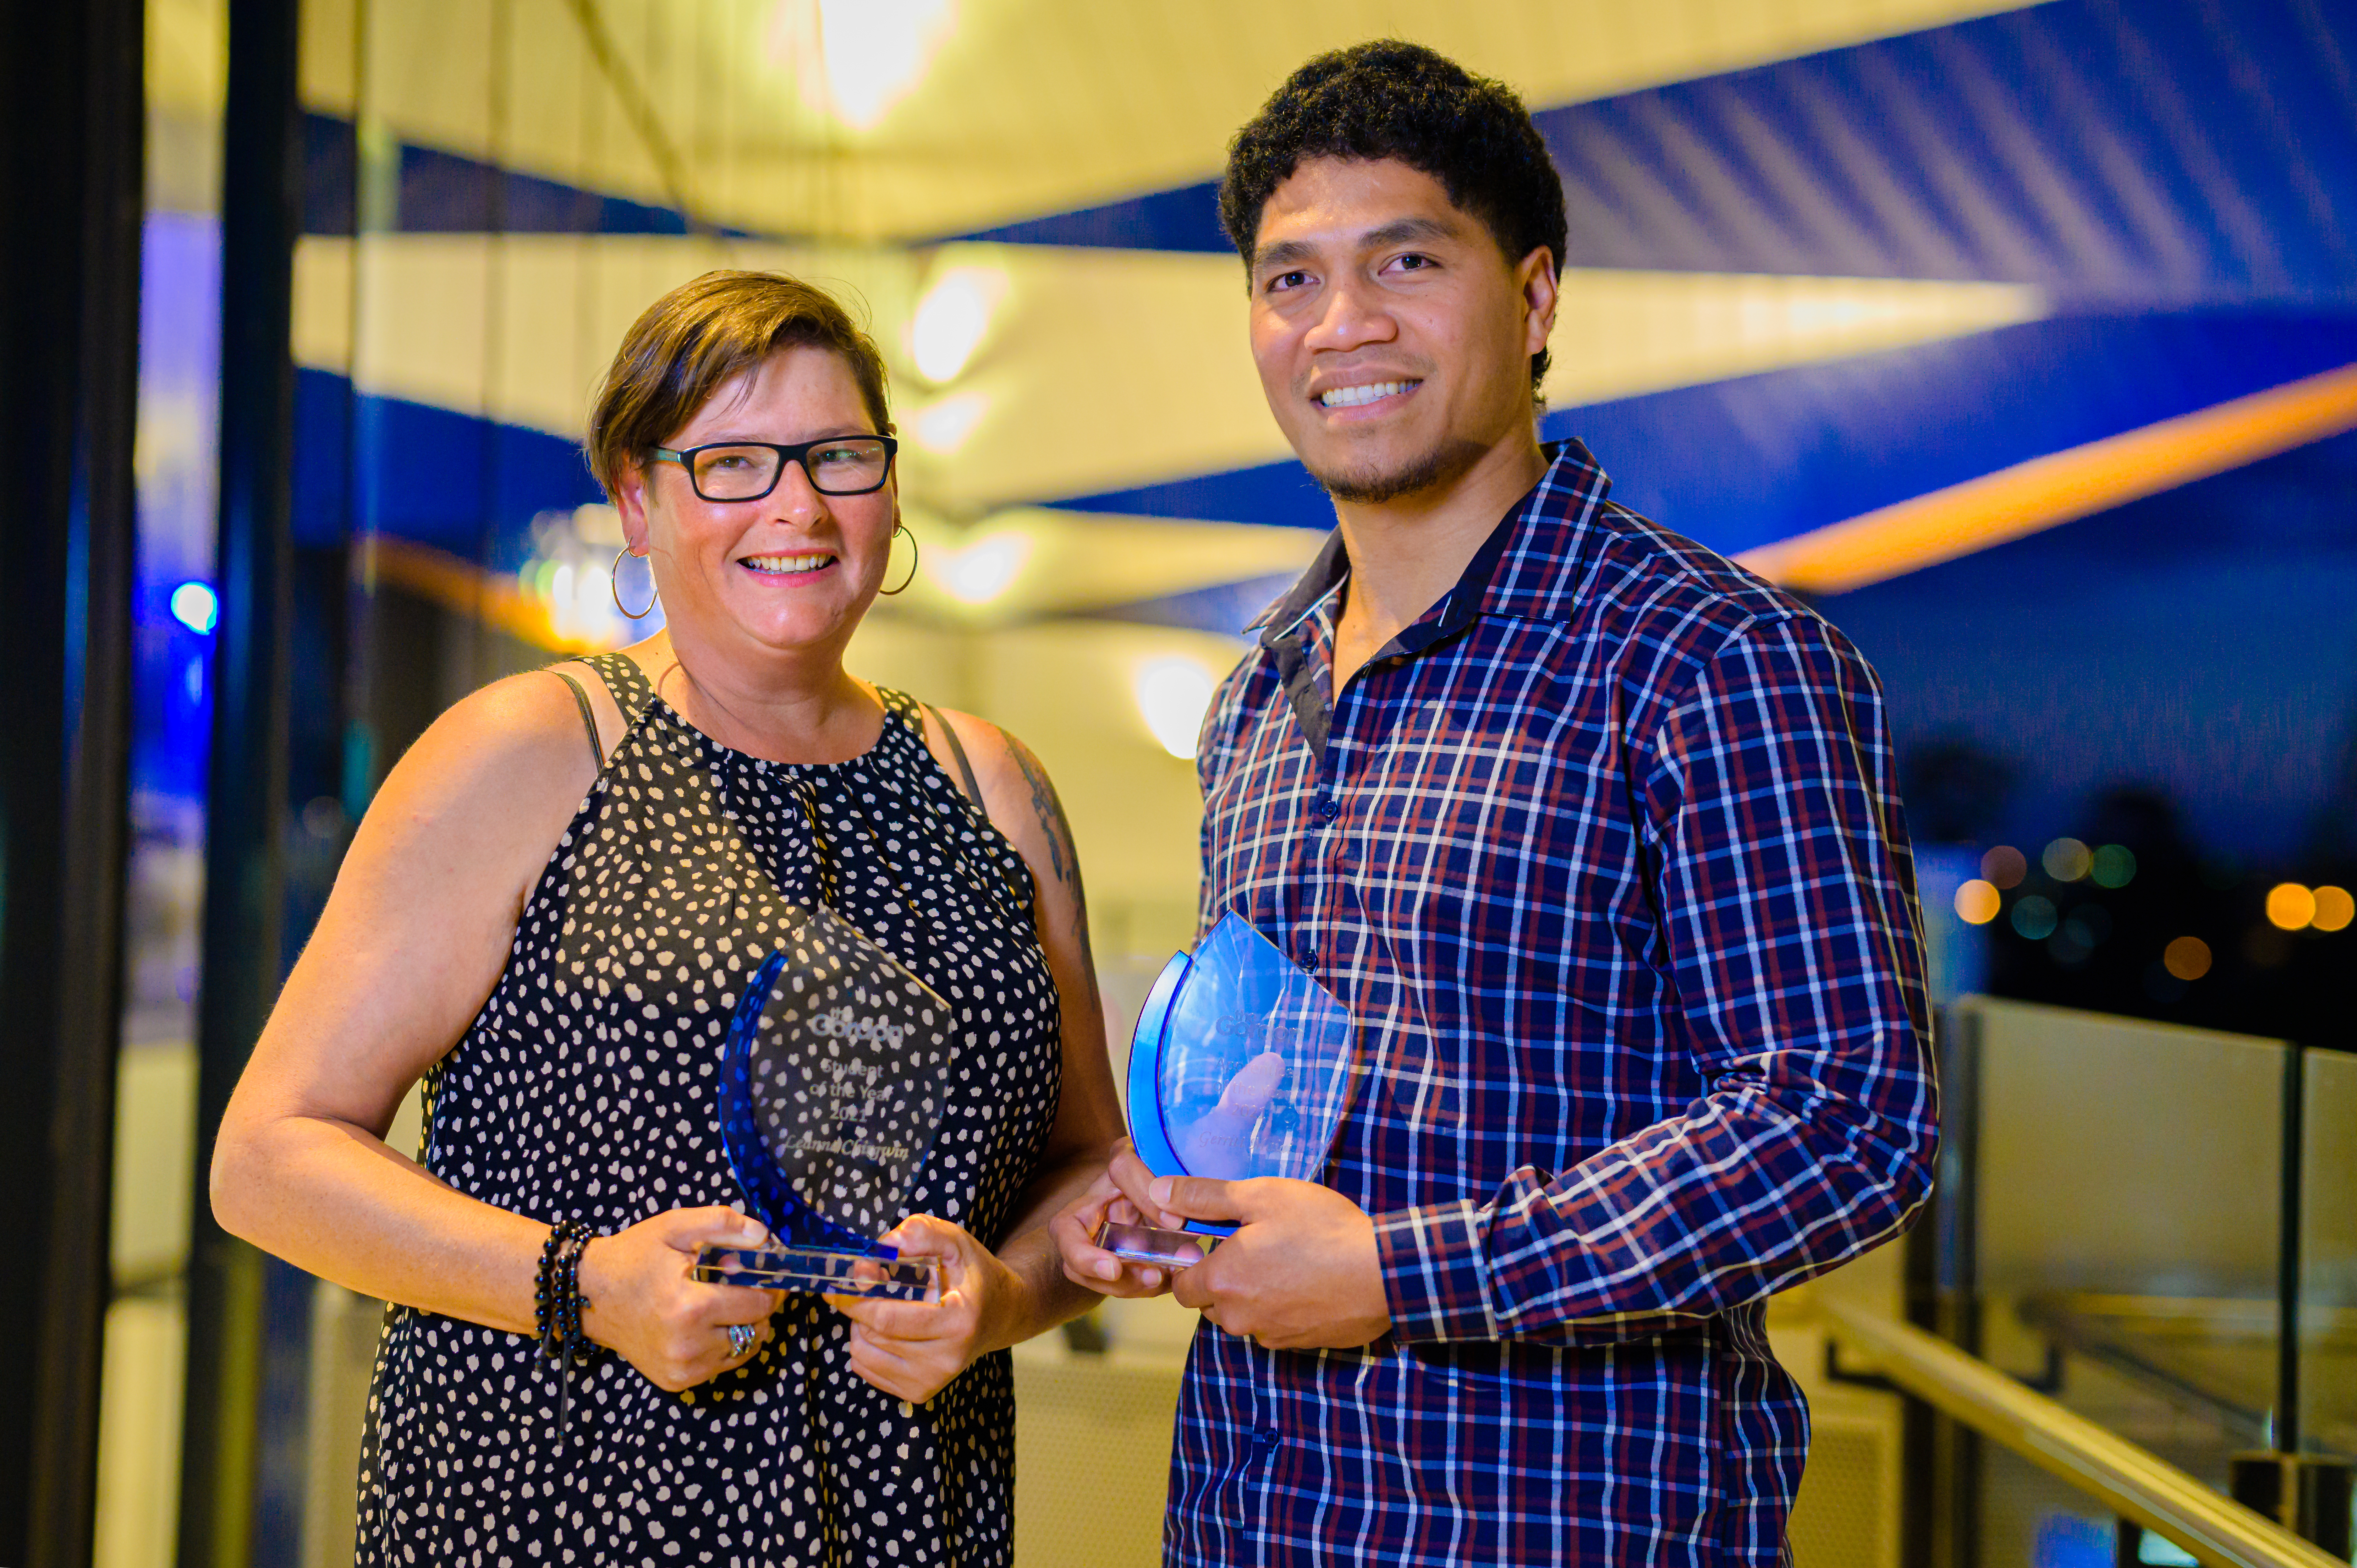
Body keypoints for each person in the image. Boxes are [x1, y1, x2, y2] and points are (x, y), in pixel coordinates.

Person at [1052, 41, 1938, 1567]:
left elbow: (1848, 1121)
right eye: (1290, 281)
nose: (1344, 326)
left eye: (1405, 260)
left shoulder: (1711, 659)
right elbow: (1309, 1087)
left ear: (1532, 303)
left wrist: (1406, 1272)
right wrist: (1173, 1194)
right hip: (1251, 1520)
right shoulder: (1262, 695)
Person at [213, 269, 1125, 1565]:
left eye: (837, 458)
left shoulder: (993, 787)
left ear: (891, 486)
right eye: (734, 464)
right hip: (556, 1507)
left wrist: (1003, 1299)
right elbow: (268, 1159)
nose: (797, 506)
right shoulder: (534, 752)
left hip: (902, 1518)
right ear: (639, 502)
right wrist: (586, 1286)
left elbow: (1088, 1171)